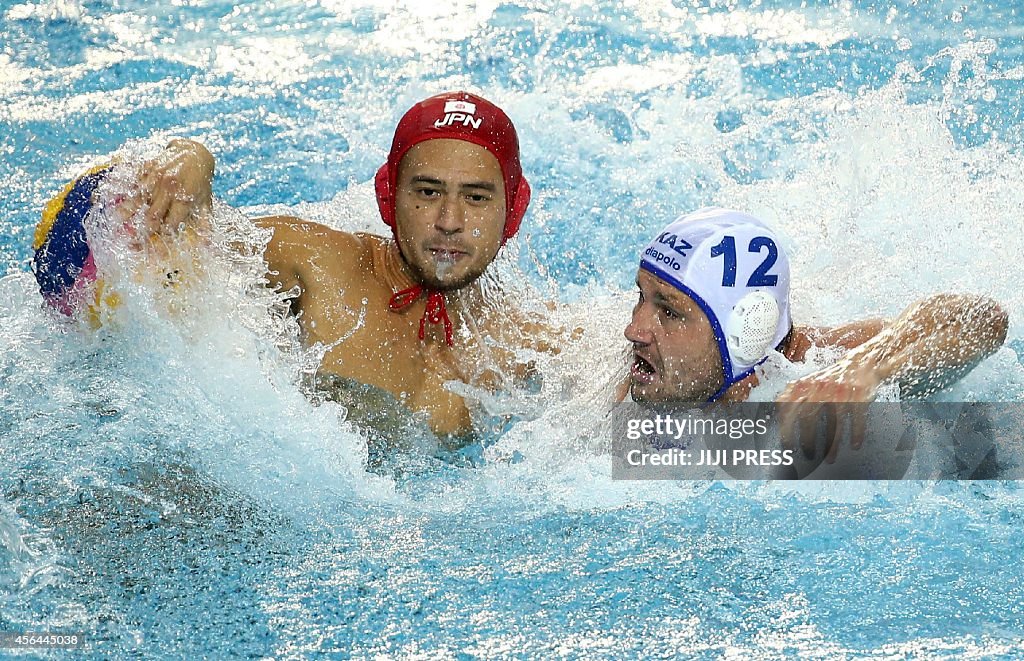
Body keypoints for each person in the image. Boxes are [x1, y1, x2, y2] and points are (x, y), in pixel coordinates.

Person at [32, 91, 566, 442]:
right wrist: (193, 159)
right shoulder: (316, 264)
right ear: (388, 196)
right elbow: (203, 240)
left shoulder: (527, 340)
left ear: (512, 209)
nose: (449, 221)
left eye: (476, 199)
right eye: (427, 192)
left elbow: (636, 449)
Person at [623, 207, 1009, 462]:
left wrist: (867, 367)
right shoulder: (632, 367)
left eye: (669, 312)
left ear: (744, 332)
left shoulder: (819, 371)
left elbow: (983, 320)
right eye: (641, 296)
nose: (634, 330)